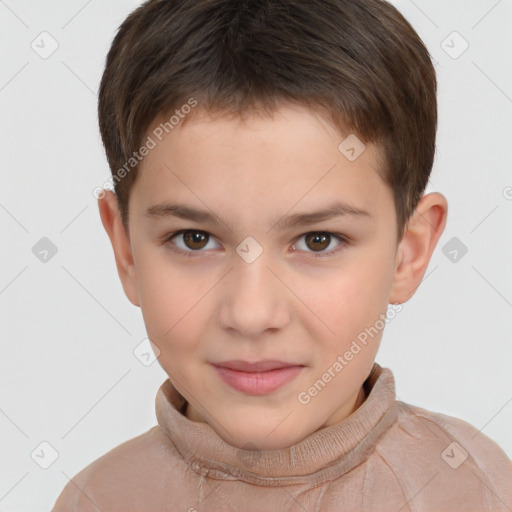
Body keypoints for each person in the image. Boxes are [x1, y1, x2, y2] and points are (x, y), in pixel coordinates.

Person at [52, 0, 512, 510]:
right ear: (126, 251)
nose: (251, 314)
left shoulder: (475, 487)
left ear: (410, 251)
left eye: (318, 240)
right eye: (194, 239)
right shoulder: (95, 500)